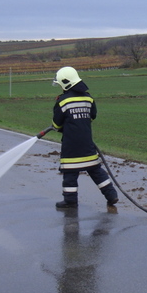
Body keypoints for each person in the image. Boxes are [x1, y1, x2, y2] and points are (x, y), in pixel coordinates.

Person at [51, 66, 119, 209]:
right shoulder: (88, 98)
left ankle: (70, 200)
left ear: (65, 83)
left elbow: (56, 125)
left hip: (71, 145)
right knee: (95, 170)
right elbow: (92, 116)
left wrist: (67, 126)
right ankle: (111, 195)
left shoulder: (62, 101)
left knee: (70, 173)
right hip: (87, 143)